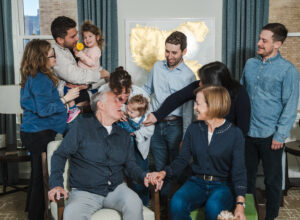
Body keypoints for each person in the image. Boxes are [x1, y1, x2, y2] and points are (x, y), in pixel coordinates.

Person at [48, 90, 156, 220]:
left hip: (116, 190)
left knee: (134, 202)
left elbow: (131, 165)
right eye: (116, 101)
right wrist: (56, 184)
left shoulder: (123, 134)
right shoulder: (81, 127)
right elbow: (59, 155)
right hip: (84, 192)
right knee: (72, 214)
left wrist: (144, 176)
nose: (121, 105)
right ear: (101, 105)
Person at [149, 85, 247, 220]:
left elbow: (239, 171)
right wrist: (163, 173)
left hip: (223, 185)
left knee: (213, 206)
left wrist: (240, 204)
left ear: (212, 105)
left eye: (198, 104)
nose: (194, 107)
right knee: (177, 203)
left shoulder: (235, 134)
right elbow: (182, 160)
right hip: (197, 182)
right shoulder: (193, 129)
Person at [240, 23, 299, 220]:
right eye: (259, 38)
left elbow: (290, 106)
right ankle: (247, 215)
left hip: (271, 136)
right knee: (245, 179)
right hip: (247, 133)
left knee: (273, 182)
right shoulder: (250, 64)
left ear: (278, 44)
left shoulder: (288, 70)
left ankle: (270, 217)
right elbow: (240, 95)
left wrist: (280, 135)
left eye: (264, 40)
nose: (259, 43)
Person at [19, 39, 79, 220]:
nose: (55, 58)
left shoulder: (35, 76)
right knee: (40, 177)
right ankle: (37, 216)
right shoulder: (40, 79)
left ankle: (33, 212)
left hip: (35, 131)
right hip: (39, 133)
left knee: (37, 175)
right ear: (40, 58)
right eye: (51, 55)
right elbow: (44, 110)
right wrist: (65, 99)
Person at [143, 61, 251, 136]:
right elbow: (177, 98)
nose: (199, 83)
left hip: (228, 143)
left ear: (214, 85)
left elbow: (242, 129)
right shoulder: (199, 86)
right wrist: (157, 115)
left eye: (203, 81)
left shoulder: (239, 93)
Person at [99, 67, 154, 206]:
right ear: (111, 88)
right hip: (114, 144)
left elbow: (149, 126)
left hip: (137, 143)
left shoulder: (141, 95)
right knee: (114, 180)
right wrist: (115, 117)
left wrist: (134, 132)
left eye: (126, 93)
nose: (123, 98)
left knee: (139, 180)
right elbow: (98, 123)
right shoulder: (102, 92)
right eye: (118, 95)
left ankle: (143, 208)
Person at [50, 16, 109, 116]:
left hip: (82, 92)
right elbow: (75, 76)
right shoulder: (56, 55)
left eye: (76, 35)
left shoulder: (69, 49)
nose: (77, 39)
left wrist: (87, 84)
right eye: (72, 37)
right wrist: (100, 74)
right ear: (60, 40)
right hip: (66, 103)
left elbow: (86, 71)